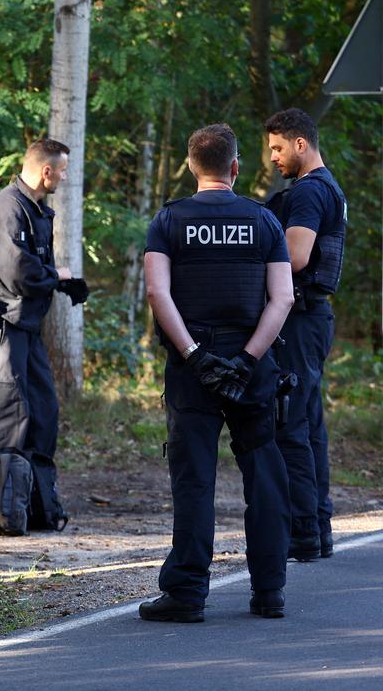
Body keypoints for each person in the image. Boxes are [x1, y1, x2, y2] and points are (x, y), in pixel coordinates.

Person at [139, 123, 294, 622]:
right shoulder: (264, 221)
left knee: (194, 479)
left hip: (193, 371)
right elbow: (284, 297)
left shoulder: (169, 220)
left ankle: (186, 594)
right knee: (265, 476)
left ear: (190, 165)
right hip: (252, 368)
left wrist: (194, 355)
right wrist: (247, 360)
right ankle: (269, 592)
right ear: (234, 168)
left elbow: (158, 293)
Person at [0, 138, 86, 528]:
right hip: (4, 328)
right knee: (7, 414)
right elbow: (19, 273)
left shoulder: (34, 208)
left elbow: (33, 267)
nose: (65, 177)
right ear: (46, 170)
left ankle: (32, 507)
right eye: (63, 170)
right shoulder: (6, 208)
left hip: (28, 327)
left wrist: (61, 283)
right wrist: (58, 276)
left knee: (42, 411)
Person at [264, 108, 347, 561]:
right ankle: (317, 530)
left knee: (290, 424)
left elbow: (295, 256)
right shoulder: (326, 186)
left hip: (301, 319)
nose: (273, 158)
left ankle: (302, 535)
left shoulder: (310, 192)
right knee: (309, 424)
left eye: (278, 148)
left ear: (300, 144)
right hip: (314, 320)